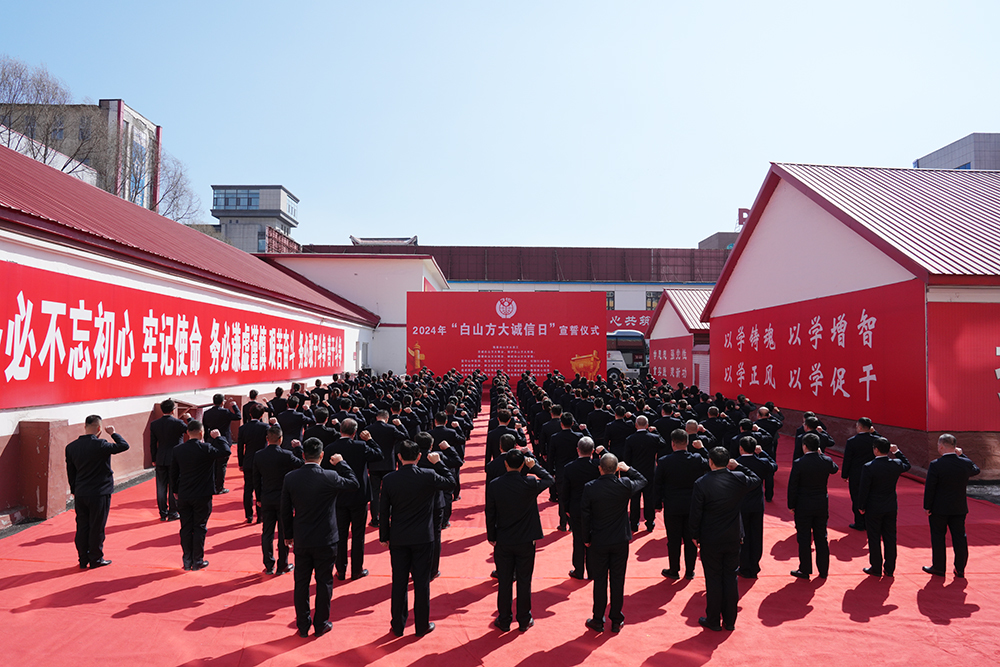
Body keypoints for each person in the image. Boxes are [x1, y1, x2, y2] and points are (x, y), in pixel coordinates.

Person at [281, 438, 359, 637]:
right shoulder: (330, 476)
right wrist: (341, 463)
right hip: (326, 538)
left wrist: (287, 535)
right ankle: (321, 622)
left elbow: (285, 510)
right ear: (322, 455)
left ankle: (303, 625)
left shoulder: (291, 478)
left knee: (301, 583)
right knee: (324, 582)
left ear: (303, 455)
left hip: (302, 537)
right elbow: (354, 483)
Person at [379, 440, 456, 637]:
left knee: (399, 582)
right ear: (419, 457)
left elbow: (383, 510)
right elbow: (451, 482)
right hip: (423, 536)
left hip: (398, 537)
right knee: (421, 582)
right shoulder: (428, 475)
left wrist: (384, 536)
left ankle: (398, 625)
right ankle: (421, 626)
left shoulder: (389, 479)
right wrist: (438, 462)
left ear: (399, 457)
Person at [690, 446, 761, 631]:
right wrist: (739, 467)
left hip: (710, 538)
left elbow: (696, 513)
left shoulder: (701, 483)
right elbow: (756, 479)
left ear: (710, 462)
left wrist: (695, 535)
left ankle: (713, 620)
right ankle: (730, 621)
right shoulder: (737, 478)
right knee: (730, 578)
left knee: (713, 579)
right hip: (733, 536)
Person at [486, 448, 553, 632]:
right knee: (524, 580)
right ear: (523, 464)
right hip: (525, 540)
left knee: (505, 582)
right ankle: (524, 619)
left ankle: (505, 619)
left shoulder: (495, 484)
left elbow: (490, 513)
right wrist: (536, 467)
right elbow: (549, 479)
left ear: (506, 464)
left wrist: (491, 536)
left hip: (504, 539)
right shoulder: (530, 481)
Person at [581, 453, 647, 633]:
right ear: (616, 468)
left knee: (600, 581)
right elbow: (642, 480)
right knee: (618, 580)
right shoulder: (624, 484)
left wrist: (586, 539)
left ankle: (598, 619)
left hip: (599, 540)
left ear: (600, 468)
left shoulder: (590, 487)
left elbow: (585, 516)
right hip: (620, 540)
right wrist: (628, 469)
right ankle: (616, 619)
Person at [65, 415, 130, 569]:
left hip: (81, 492)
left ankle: (82, 559)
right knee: (97, 526)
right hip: (99, 492)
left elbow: (71, 472)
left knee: (82, 526)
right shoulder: (101, 444)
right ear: (99, 428)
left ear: (85, 426)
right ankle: (96, 558)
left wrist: (74, 489)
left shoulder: (71, 447)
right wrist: (113, 433)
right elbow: (124, 446)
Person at [323, 418, 383, 580]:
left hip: (339, 496)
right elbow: (379, 455)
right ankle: (357, 570)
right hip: (359, 496)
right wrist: (370, 440)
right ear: (355, 432)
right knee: (358, 535)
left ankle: (340, 570)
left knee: (340, 535)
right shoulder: (361, 446)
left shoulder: (330, 448)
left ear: (340, 429)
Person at [170, 420, 231, 570]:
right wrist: (219, 437)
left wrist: (175, 491)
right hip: (202, 495)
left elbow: (173, 474)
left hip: (184, 493)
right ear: (202, 432)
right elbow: (226, 451)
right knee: (199, 527)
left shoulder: (178, 450)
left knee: (185, 527)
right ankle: (197, 560)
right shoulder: (206, 448)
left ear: (187, 433)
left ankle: (187, 559)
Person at [653, 429, 709, 580]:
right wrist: (702, 449)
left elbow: (657, 484)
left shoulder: (664, 461)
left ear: (672, 443)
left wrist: (657, 504)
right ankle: (690, 570)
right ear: (688, 443)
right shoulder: (697, 458)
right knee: (691, 539)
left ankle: (674, 569)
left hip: (672, 506)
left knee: (673, 539)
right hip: (693, 506)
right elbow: (712, 463)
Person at [923, 434, 980, 578]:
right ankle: (960, 568)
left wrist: (927, 506)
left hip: (939, 508)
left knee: (938, 537)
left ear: (941, 446)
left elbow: (930, 487)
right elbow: (976, 469)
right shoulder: (964, 463)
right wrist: (963, 455)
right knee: (960, 538)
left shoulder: (936, 465)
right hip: (959, 507)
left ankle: (939, 567)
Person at [253, 424, 303, 575]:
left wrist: (258, 496)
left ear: (267, 439)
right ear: (281, 439)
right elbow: (301, 465)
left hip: (266, 497)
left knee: (267, 532)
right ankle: (283, 564)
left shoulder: (259, 455)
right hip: (284, 499)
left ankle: (269, 564)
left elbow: (256, 478)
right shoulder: (286, 455)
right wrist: (297, 449)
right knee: (284, 532)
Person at [787, 432, 838, 579]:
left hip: (803, 505)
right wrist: (821, 455)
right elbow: (834, 469)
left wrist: (791, 505)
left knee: (804, 538)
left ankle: (805, 569)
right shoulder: (826, 460)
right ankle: (823, 570)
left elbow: (793, 486)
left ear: (804, 446)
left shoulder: (799, 463)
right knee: (821, 537)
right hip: (821, 503)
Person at [857, 438, 910, 577]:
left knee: (874, 537)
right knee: (890, 537)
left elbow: (864, 489)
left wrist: (861, 505)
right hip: (890, 505)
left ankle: (876, 567)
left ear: (876, 449)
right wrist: (897, 452)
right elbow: (907, 465)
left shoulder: (869, 467)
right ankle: (890, 567)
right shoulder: (896, 464)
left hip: (873, 506)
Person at [559, 436, 601, 579]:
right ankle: (592, 570)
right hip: (594, 507)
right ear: (593, 451)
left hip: (576, 508)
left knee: (578, 539)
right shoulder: (598, 465)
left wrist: (566, 509)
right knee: (593, 538)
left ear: (577, 450)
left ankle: (578, 570)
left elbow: (565, 492)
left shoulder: (569, 468)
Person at [736, 437, 777, 579]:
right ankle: (754, 565)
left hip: (741, 504)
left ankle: (744, 565)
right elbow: (774, 465)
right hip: (757, 505)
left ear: (741, 448)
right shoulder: (762, 462)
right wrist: (763, 452)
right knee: (756, 535)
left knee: (742, 536)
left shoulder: (736, 464)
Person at [365, 409, 410, 527]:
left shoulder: (369, 429)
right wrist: (400, 425)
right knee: (389, 491)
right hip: (388, 464)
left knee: (374, 492)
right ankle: (388, 516)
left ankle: (375, 518)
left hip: (374, 465)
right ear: (387, 418)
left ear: (376, 417)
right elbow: (405, 436)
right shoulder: (391, 428)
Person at [623, 415, 667, 532]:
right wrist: (656, 431)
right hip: (650, 473)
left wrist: (628, 474)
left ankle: (634, 523)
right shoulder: (653, 438)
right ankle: (650, 522)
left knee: (635, 499)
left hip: (635, 474)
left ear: (636, 425)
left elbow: (626, 459)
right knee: (649, 498)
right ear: (647, 426)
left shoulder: (630, 439)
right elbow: (663, 443)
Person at [149, 399, 186, 521]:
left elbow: (153, 443)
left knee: (161, 487)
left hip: (161, 458)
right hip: (175, 458)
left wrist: (154, 458)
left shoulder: (154, 424)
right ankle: (173, 512)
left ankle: (162, 512)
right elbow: (191, 430)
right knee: (174, 485)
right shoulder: (178, 423)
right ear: (173, 410)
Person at [841, 417, 878, 530]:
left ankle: (859, 522)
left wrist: (844, 474)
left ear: (860, 427)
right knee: (871, 497)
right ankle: (870, 521)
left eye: (857, 426)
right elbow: (884, 442)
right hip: (872, 473)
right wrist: (874, 432)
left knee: (856, 498)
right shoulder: (875, 440)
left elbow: (848, 459)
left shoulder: (852, 441)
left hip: (856, 474)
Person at [201, 394, 241, 494]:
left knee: (212, 464)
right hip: (224, 441)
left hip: (211, 440)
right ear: (223, 402)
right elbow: (238, 416)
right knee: (222, 465)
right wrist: (234, 406)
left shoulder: (207, 413)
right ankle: (219, 487)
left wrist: (207, 440)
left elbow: (205, 428)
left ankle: (212, 485)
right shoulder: (226, 412)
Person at [237, 403, 270, 524]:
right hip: (262, 461)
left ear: (250, 414)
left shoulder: (243, 428)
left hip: (248, 461)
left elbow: (240, 447)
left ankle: (249, 515)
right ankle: (260, 515)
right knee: (260, 488)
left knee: (248, 488)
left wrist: (241, 462)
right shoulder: (265, 427)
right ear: (262, 415)